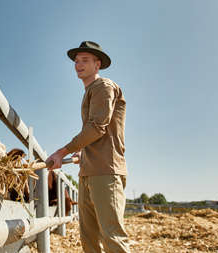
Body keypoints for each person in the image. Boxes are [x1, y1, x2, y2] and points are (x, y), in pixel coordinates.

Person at [45, 41, 130, 253]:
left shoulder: (103, 87)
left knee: (113, 238)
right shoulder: (90, 91)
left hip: (105, 171)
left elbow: (97, 127)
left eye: (84, 60)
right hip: (88, 172)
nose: (78, 65)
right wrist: (82, 153)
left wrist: (61, 152)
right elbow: (99, 132)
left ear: (97, 64)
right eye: (76, 61)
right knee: (89, 239)